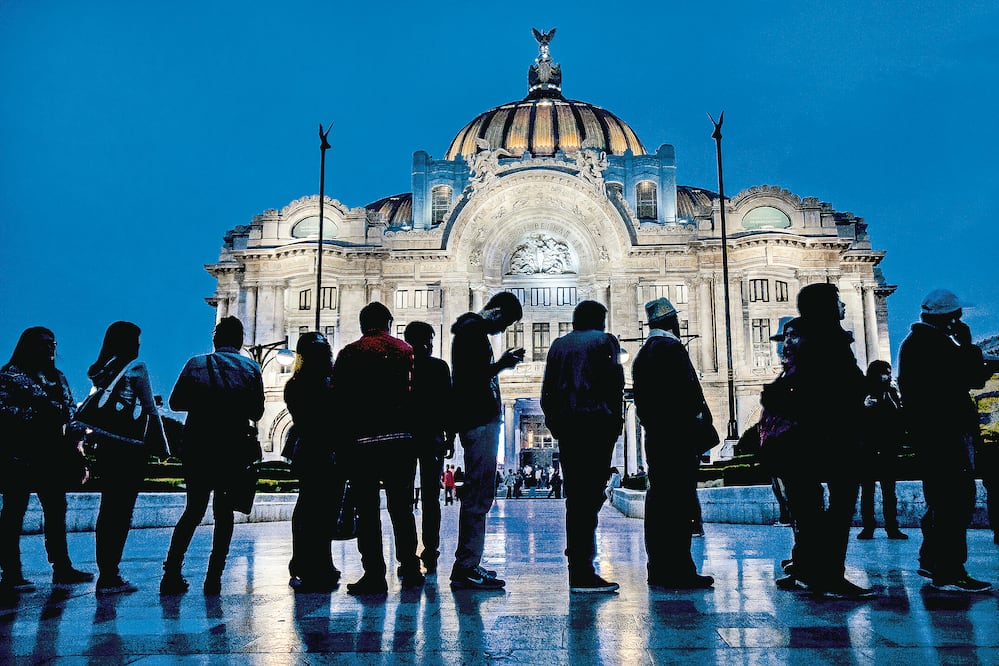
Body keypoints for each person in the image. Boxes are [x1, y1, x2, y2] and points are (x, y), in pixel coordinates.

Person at [776, 283, 871, 600]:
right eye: (837, 301)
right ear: (826, 308)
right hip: (833, 439)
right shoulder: (829, 340)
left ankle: (805, 570)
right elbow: (848, 388)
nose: (843, 306)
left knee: (808, 509)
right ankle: (829, 575)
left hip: (801, 442)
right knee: (839, 507)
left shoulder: (797, 339)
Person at [159, 316, 264, 595]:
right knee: (224, 512)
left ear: (215, 340)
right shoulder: (252, 367)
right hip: (234, 447)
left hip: (200, 443)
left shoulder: (196, 364)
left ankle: (172, 572)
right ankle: (214, 577)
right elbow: (257, 412)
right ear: (240, 341)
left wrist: (205, 400)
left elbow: (176, 402)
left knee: (193, 509)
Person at [898, 288, 993, 593]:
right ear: (949, 318)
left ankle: (932, 560)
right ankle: (951, 570)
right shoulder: (935, 345)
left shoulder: (914, 343)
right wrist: (967, 344)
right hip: (946, 433)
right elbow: (974, 377)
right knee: (956, 500)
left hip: (930, 434)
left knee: (940, 499)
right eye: (957, 315)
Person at [332, 302, 422, 594]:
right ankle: (409, 567)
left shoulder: (349, 353)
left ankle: (374, 573)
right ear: (390, 322)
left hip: (363, 443)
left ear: (361, 324)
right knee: (401, 508)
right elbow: (415, 396)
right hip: (400, 441)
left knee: (367, 511)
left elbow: (340, 401)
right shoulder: (406, 351)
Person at [540, 299, 624, 593]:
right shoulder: (605, 341)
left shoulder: (558, 346)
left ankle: (577, 566)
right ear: (599, 319)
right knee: (591, 497)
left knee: (576, 499)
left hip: (569, 430)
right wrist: (616, 422)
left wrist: (556, 424)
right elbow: (615, 384)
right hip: (597, 427)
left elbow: (546, 390)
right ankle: (584, 570)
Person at [0, 327, 92, 592]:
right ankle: (11, 571)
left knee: (56, 511)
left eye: (52, 343)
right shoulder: (10, 376)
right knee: (14, 512)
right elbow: (4, 411)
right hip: (19, 453)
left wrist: (75, 431)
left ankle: (62, 567)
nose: (50, 348)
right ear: (28, 346)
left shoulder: (57, 377)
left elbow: (69, 408)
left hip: (53, 454)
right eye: (43, 344)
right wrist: (40, 415)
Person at [631, 297, 714, 589]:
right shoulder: (672, 349)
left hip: (656, 438)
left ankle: (659, 568)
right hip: (678, 439)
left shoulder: (642, 355)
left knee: (659, 502)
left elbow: (642, 404)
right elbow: (690, 395)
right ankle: (681, 570)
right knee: (680, 504)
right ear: (672, 322)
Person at [449, 291, 524, 590]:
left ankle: (469, 562)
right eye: (504, 321)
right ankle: (466, 565)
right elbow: (469, 378)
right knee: (479, 493)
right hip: (478, 421)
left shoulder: (473, 332)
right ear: (494, 311)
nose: (502, 330)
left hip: (480, 420)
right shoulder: (472, 332)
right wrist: (501, 365)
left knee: (481, 493)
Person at [86, 321, 167, 594]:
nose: (139, 345)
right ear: (130, 343)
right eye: (137, 340)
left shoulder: (101, 371)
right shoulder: (137, 368)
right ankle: (111, 575)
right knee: (121, 512)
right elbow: (150, 412)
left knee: (107, 509)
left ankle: (105, 571)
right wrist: (164, 447)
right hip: (129, 449)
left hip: (106, 447)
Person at [283, 332, 342, 592]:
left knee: (307, 507)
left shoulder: (294, 385)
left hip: (307, 451)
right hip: (329, 451)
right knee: (325, 511)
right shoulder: (333, 384)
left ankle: (304, 563)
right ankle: (321, 564)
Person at [404, 320, 455, 575]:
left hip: (404, 437)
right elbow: (449, 403)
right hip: (431, 437)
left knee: (403, 498)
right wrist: (450, 437)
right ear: (426, 342)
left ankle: (407, 555)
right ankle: (430, 551)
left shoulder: (401, 365)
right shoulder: (438, 367)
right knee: (431, 498)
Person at [857, 360, 907, 541]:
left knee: (889, 491)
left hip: (888, 448)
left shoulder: (892, 392)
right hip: (868, 449)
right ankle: (868, 527)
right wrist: (863, 407)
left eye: (889, 371)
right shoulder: (863, 391)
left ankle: (892, 527)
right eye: (885, 372)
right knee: (868, 491)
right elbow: (852, 418)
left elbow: (899, 418)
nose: (888, 375)